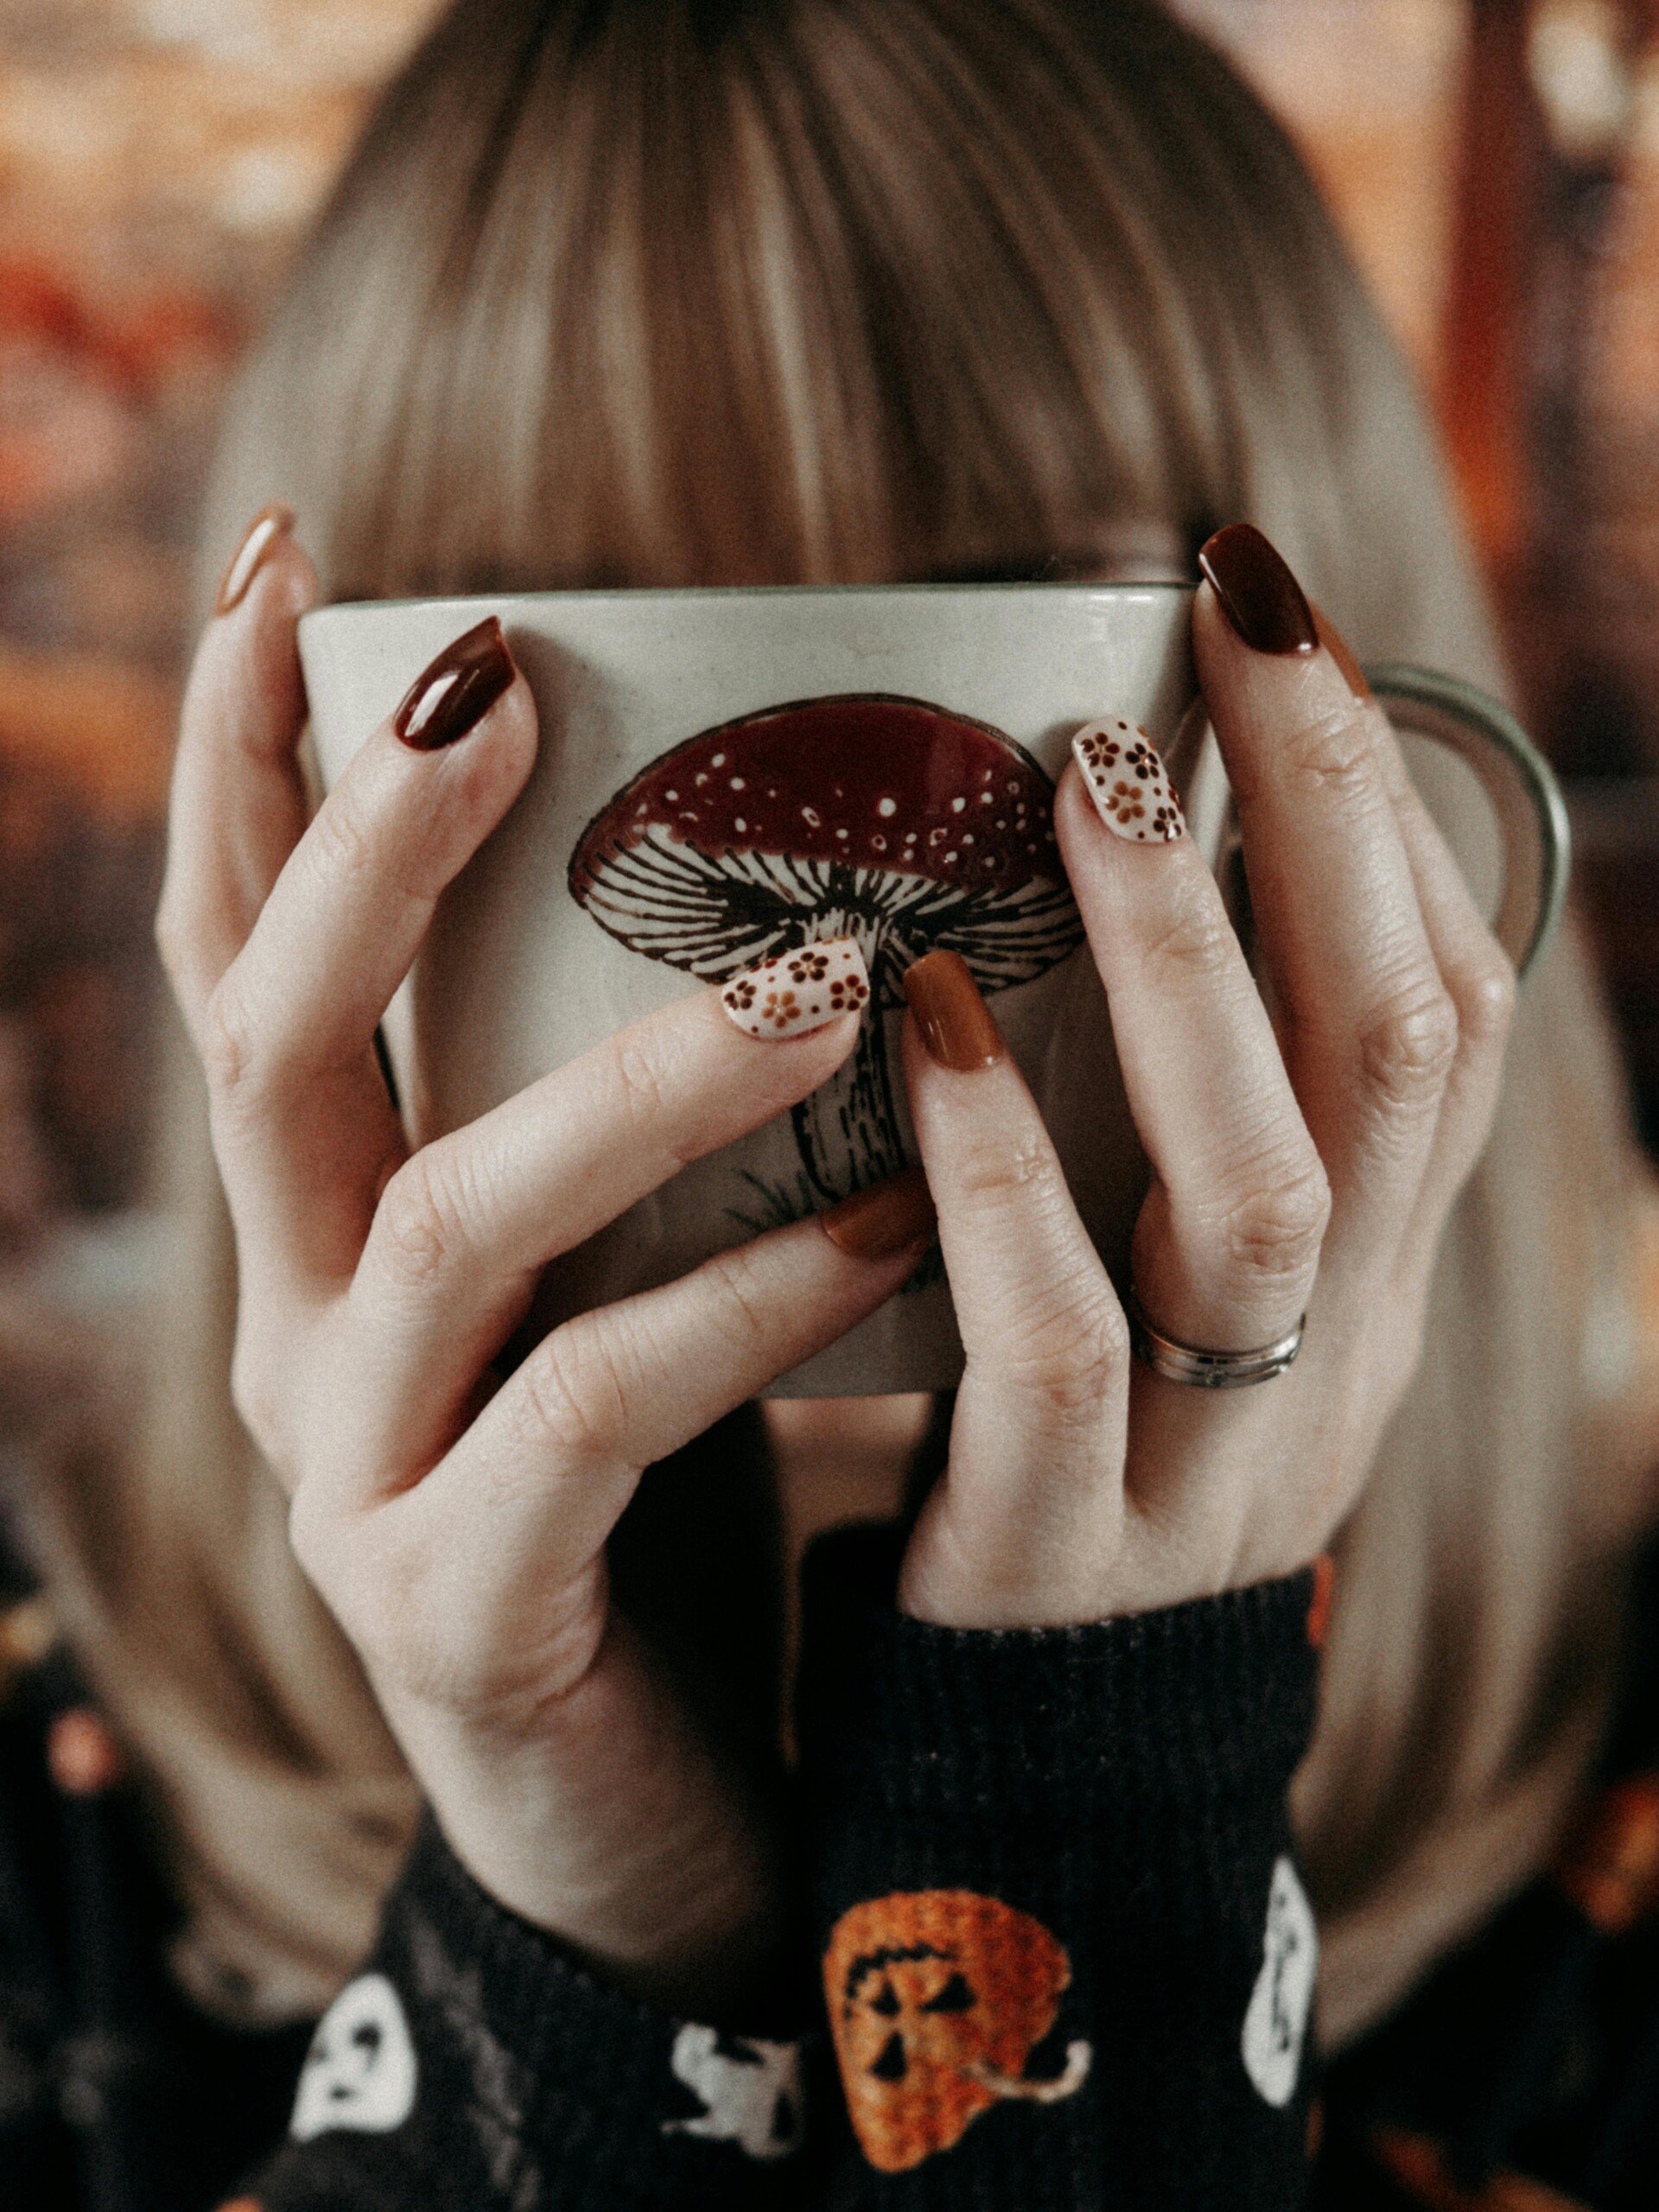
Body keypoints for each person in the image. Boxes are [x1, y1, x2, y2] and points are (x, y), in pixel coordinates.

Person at [3, 3, 1657, 2208]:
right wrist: (570, 1864)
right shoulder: (46, 1802)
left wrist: (1098, 1807)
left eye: (1002, 603)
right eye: (563, 631)